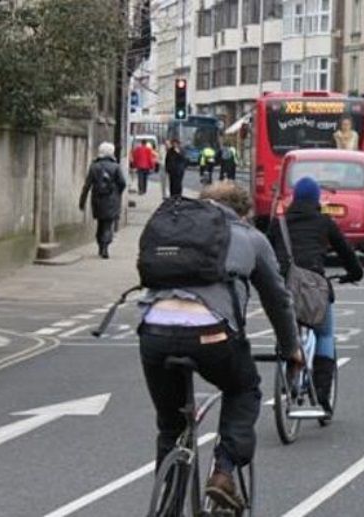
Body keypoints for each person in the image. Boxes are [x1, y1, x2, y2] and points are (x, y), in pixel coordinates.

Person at [138, 182, 301, 512]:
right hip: (212, 333)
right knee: (244, 389)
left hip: (153, 331)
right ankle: (224, 472)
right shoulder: (250, 237)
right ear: (245, 213)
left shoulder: (175, 232)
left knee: (171, 426)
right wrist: (291, 347)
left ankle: (168, 506)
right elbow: (277, 300)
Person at [269, 177, 363, 415]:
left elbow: (265, 253)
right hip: (313, 287)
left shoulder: (278, 223)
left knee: (286, 327)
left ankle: (289, 368)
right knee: (324, 333)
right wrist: (354, 273)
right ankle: (322, 392)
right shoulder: (324, 222)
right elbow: (345, 251)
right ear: (316, 199)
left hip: (282, 286)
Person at [79, 142, 126, 259]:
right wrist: (118, 192)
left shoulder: (94, 166)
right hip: (112, 199)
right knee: (108, 224)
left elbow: (87, 185)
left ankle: (100, 245)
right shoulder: (115, 166)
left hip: (97, 199)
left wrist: (82, 201)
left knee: (100, 223)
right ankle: (105, 246)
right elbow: (122, 182)